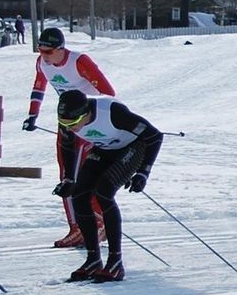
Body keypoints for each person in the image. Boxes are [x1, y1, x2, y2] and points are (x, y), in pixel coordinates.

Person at [51, 88, 164, 283]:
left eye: (74, 124)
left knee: (104, 192)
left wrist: (143, 172)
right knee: (78, 194)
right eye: (64, 124)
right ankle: (93, 260)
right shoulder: (69, 118)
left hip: (133, 147)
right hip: (104, 149)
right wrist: (69, 179)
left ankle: (115, 262)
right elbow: (68, 146)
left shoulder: (112, 112)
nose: (69, 129)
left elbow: (154, 136)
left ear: (86, 113)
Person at [24, 27, 116, 248]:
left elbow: (108, 93)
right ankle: (77, 227)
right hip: (66, 121)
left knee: (82, 173)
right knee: (66, 174)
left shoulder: (79, 61)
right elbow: (39, 87)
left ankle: (96, 222)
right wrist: (32, 115)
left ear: (60, 49)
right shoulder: (42, 63)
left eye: (48, 52)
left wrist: (104, 120)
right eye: (40, 50)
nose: (44, 56)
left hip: (89, 122)